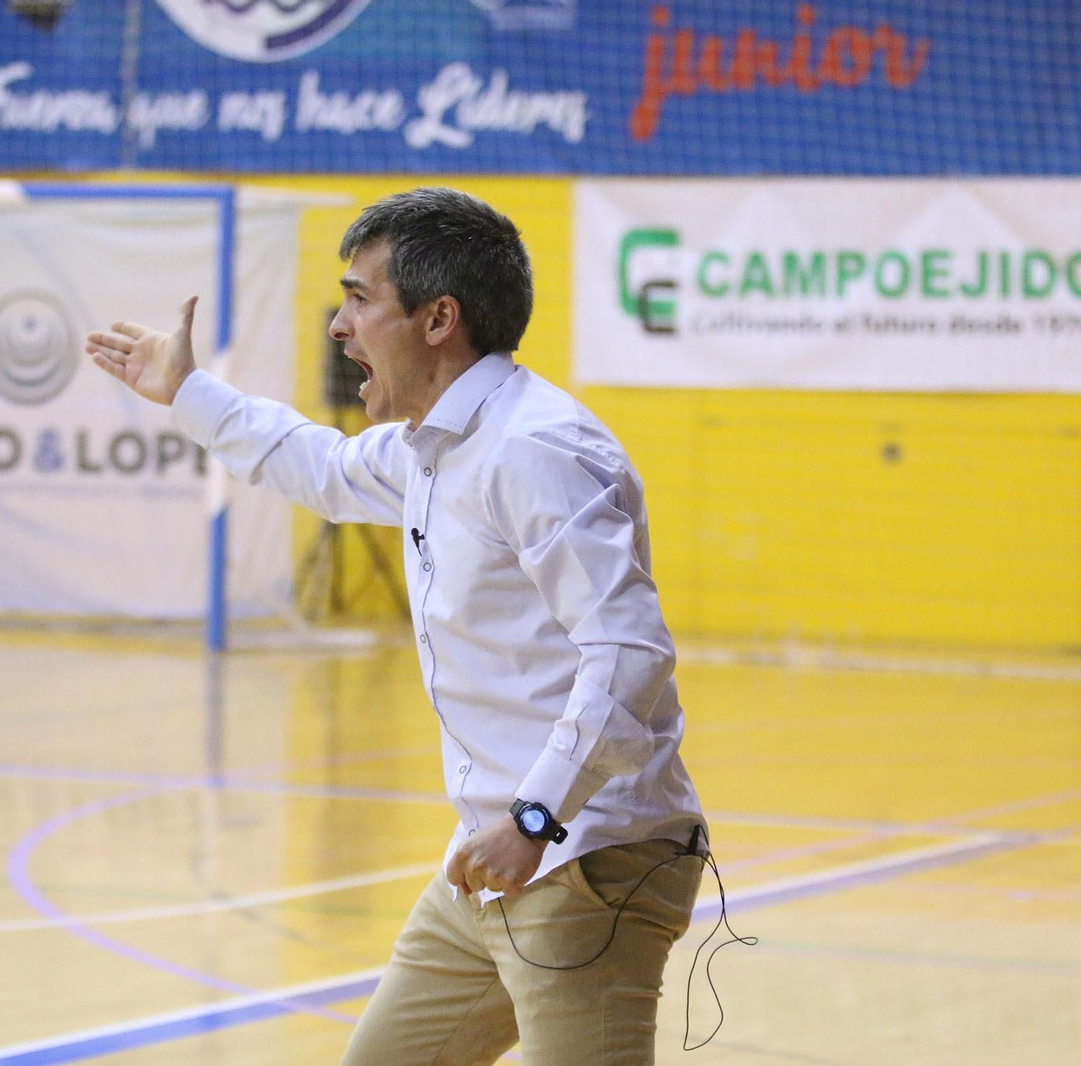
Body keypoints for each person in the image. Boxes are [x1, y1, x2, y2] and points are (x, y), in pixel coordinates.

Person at [86, 187, 707, 1066]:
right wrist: (187, 391)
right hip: (496, 858)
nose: (340, 327)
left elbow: (629, 651)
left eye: (359, 299)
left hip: (587, 857)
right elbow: (326, 467)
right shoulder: (435, 442)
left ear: (438, 319)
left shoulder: (535, 450)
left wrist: (533, 819)